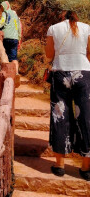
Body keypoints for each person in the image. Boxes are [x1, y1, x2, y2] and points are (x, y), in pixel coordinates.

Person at [44, 10, 90, 178]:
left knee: (60, 115)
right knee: (86, 117)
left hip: (61, 73)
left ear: (61, 17)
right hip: (83, 74)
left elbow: (49, 54)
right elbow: (89, 53)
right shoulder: (87, 28)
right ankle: (86, 168)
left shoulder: (53, 29)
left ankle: (60, 166)